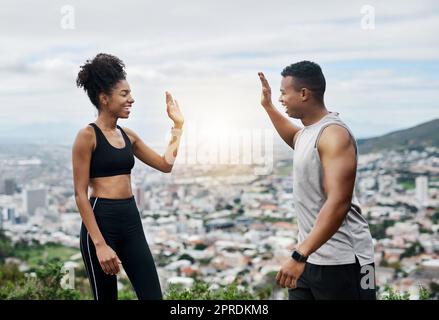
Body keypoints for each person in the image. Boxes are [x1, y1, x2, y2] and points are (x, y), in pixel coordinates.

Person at [258, 61, 376, 300]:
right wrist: (268, 106)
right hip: (311, 256)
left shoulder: (334, 134)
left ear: (303, 94)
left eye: (283, 93)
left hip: (344, 260)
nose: (281, 99)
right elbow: (295, 138)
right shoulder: (308, 133)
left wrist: (299, 255)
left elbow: (338, 202)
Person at [72, 53, 184, 300]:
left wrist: (178, 126)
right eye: (124, 94)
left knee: (153, 296)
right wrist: (100, 245)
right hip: (101, 223)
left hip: (131, 220)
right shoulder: (87, 136)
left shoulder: (128, 135)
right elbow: (80, 194)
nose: (131, 99)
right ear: (104, 98)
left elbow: (165, 165)